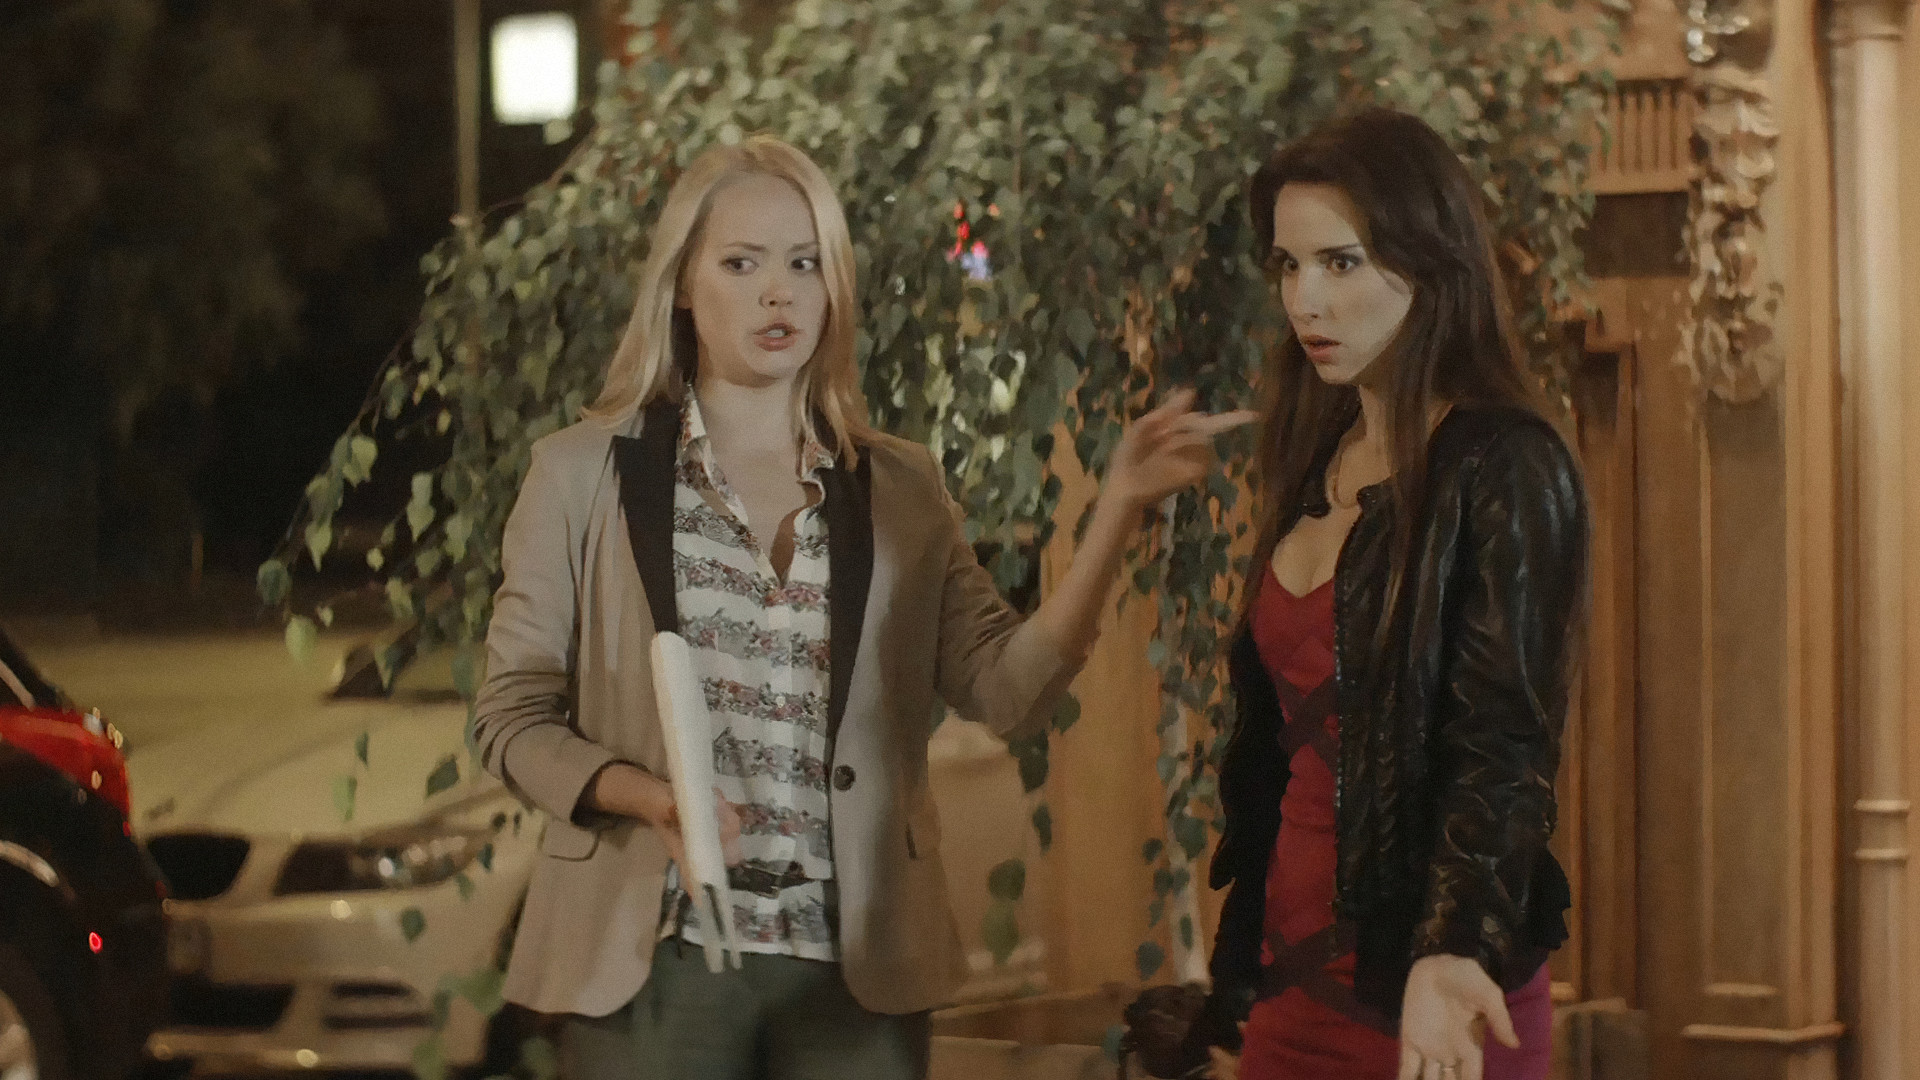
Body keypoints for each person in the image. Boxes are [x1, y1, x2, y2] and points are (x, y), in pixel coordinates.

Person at [470, 134, 1254, 1080]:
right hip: (655, 953)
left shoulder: (900, 486)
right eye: (742, 264)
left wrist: (1117, 508)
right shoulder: (578, 476)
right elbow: (510, 717)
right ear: (681, 286)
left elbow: (1006, 690)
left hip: (856, 963)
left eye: (805, 264)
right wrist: (648, 798)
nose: (778, 293)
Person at [1199, 108, 1589, 1080]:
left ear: (1429, 262)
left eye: (1341, 263)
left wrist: (1455, 946)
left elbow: (1504, 745)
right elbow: (1279, 759)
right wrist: (1236, 966)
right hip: (1287, 988)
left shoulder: (1505, 462)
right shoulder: (1316, 451)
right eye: (1288, 265)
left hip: (1431, 995)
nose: (1305, 300)